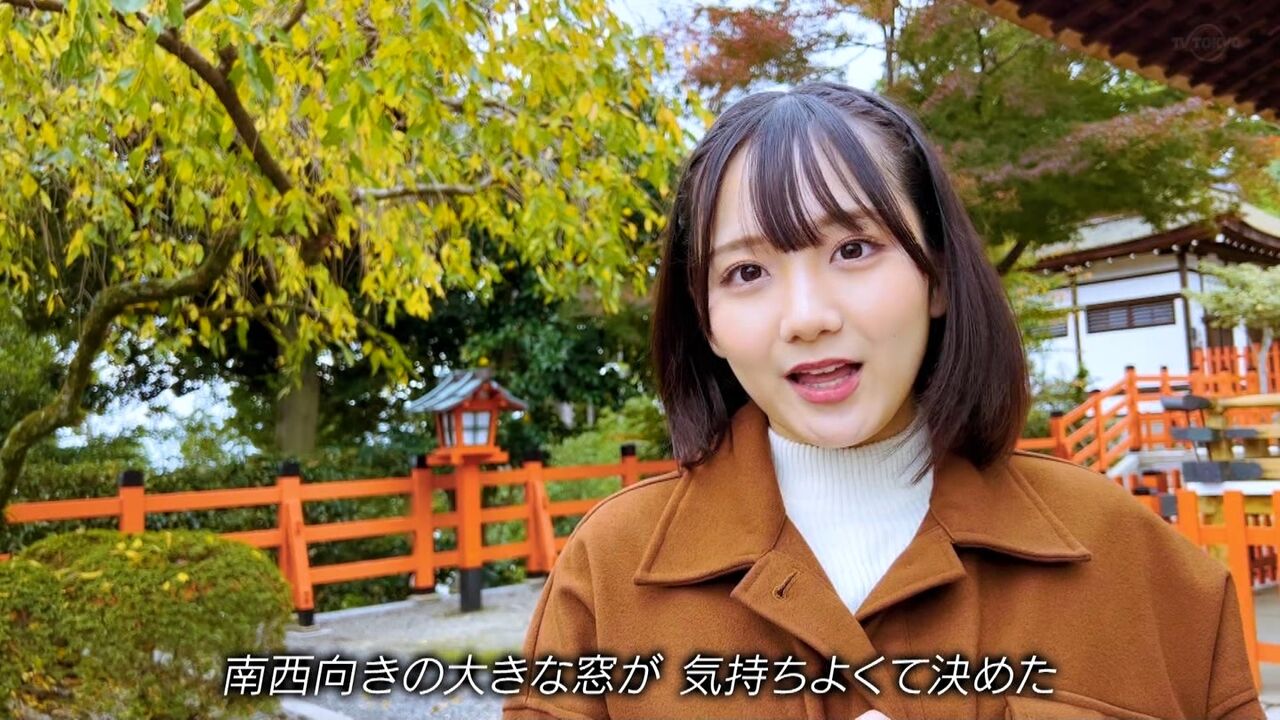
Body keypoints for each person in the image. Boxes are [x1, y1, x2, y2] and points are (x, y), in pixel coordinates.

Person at [501, 82, 1264, 719]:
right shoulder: (610, 572)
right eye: (747, 273)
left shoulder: (1132, 560)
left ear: (937, 276)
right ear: (708, 323)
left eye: (854, 249)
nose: (807, 317)